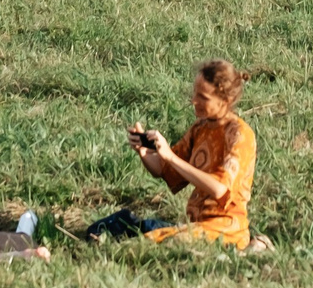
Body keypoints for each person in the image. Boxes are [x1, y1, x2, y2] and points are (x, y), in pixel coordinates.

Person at [101, 59, 263, 252]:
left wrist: (170, 156)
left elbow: (220, 190)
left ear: (224, 101)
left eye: (203, 97)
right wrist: (143, 152)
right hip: (196, 225)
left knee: (150, 246)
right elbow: (165, 170)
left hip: (225, 228)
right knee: (121, 229)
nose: (194, 100)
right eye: (195, 93)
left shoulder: (239, 135)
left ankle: (251, 249)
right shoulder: (200, 128)